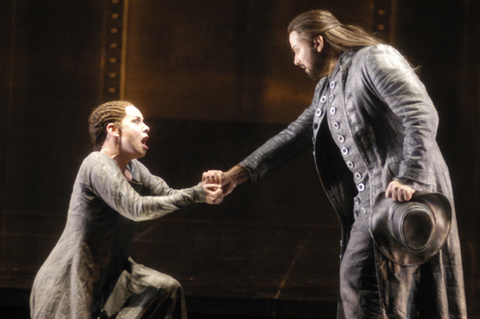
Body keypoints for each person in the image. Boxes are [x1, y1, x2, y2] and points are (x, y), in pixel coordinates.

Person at [211, 9, 467, 319]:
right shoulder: (327, 88)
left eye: (296, 49)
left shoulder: (374, 58)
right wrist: (236, 175)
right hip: (373, 201)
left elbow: (421, 113)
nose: (295, 60)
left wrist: (410, 177)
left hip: (401, 195)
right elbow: (294, 135)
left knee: (366, 285)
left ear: (317, 42)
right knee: (374, 291)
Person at [30, 101, 223, 319]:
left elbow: (170, 198)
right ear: (112, 129)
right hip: (73, 277)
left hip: (112, 275)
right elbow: (134, 207)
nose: (146, 127)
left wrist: (207, 188)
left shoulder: (135, 169)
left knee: (166, 289)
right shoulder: (96, 163)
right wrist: (197, 193)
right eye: (136, 120)